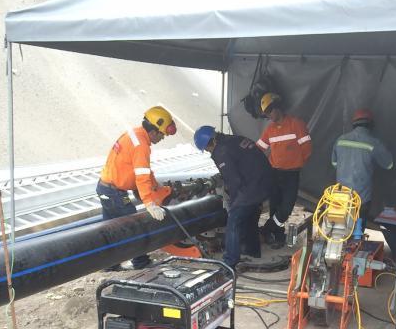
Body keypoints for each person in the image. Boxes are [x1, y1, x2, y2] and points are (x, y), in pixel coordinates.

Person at [97, 106, 177, 269]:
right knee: (135, 226)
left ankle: (109, 265)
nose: (162, 138)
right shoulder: (141, 146)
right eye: (162, 134)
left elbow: (142, 169)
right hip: (114, 192)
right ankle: (141, 262)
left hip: (106, 188)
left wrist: (155, 185)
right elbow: (141, 175)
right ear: (153, 131)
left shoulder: (135, 134)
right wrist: (149, 203)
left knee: (110, 229)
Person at [193, 126, 272, 270]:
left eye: (207, 149)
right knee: (251, 216)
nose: (209, 151)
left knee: (233, 222)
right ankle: (252, 251)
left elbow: (234, 181)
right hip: (264, 183)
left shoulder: (221, 151)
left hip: (251, 187)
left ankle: (230, 261)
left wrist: (234, 202)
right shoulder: (234, 139)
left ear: (211, 142)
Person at [256, 93, 312, 247]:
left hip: (291, 174)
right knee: (275, 207)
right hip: (274, 173)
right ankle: (278, 237)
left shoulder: (296, 124)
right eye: (266, 114)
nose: (268, 116)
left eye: (269, 111)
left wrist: (296, 163)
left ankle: (266, 230)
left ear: (277, 108)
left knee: (286, 208)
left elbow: (307, 149)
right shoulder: (270, 129)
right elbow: (258, 149)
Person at [331, 108, 393, 230]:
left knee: (339, 228)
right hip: (362, 196)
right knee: (357, 230)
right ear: (370, 125)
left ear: (354, 124)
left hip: (341, 194)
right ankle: (357, 238)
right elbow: (389, 164)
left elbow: (334, 163)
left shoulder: (341, 140)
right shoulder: (374, 143)